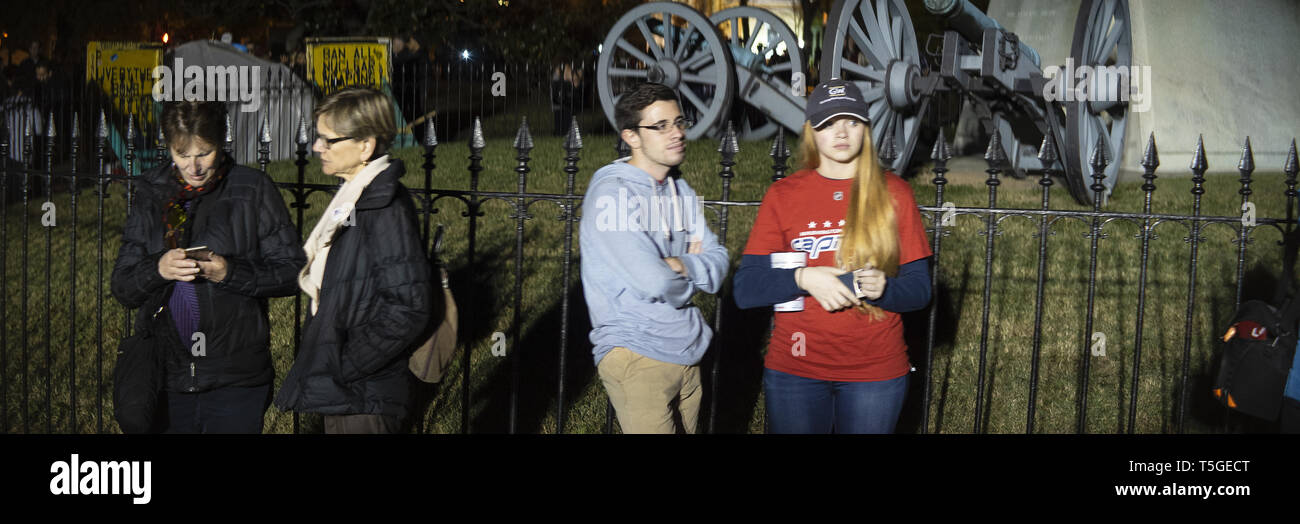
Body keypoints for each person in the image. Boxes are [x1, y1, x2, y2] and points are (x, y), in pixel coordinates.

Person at [732, 80, 933, 434]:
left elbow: (920, 291)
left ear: (866, 129)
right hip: (795, 369)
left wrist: (884, 288)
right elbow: (746, 289)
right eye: (828, 123)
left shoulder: (895, 193)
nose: (841, 132)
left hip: (876, 372)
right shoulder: (784, 195)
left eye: (852, 122)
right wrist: (803, 278)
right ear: (812, 131)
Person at [110, 101, 306, 433]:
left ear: (221, 143)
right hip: (165, 374)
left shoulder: (251, 189)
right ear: (169, 147)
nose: (195, 166)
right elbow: (123, 287)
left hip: (235, 376)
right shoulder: (150, 191)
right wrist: (158, 269)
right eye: (182, 154)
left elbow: (292, 271)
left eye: (205, 152)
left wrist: (231, 273)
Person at [274, 86, 433, 434]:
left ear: (366, 145)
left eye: (329, 140)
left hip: (365, 395)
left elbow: (409, 308)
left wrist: (345, 364)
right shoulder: (355, 197)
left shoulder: (383, 207)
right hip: (352, 392)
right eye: (318, 138)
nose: (318, 147)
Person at [578, 82, 730, 434]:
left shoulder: (680, 188)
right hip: (637, 352)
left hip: (688, 351)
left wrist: (684, 265)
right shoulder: (612, 196)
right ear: (631, 136)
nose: (676, 133)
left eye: (678, 122)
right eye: (660, 126)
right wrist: (690, 275)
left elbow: (720, 262)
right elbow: (654, 280)